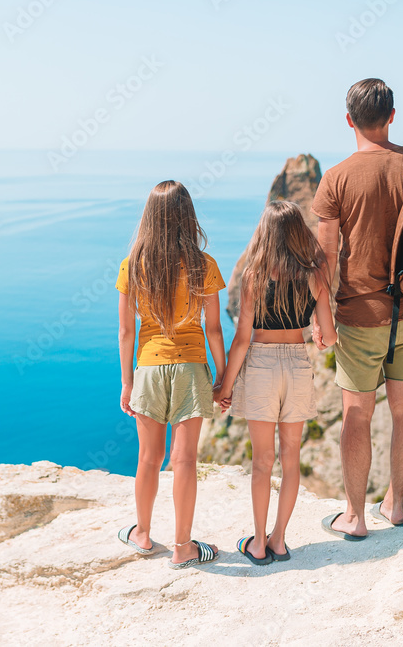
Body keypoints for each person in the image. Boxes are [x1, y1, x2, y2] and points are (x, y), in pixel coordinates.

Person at [311, 78, 403, 540]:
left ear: (349, 119)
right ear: (392, 115)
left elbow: (325, 259)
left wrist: (322, 319)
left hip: (360, 317)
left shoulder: (336, 178)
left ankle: (353, 518)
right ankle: (395, 504)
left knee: (358, 414)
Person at [215, 200, 335, 565]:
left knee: (263, 462)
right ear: (299, 232)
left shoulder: (253, 275)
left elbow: (241, 340)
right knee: (291, 457)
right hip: (297, 365)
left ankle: (257, 544)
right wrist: (316, 332)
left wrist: (226, 386)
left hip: (262, 367)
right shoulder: (315, 275)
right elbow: (329, 336)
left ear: (265, 233)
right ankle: (279, 540)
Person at [115, 180, 226, 569]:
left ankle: (142, 535)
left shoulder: (133, 265)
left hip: (148, 367)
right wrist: (223, 377)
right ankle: (183, 548)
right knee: (184, 460)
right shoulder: (204, 265)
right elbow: (213, 329)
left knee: (149, 457)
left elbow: (127, 330)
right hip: (192, 367)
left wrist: (127, 383)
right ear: (187, 216)